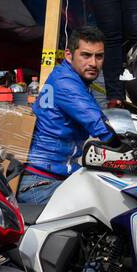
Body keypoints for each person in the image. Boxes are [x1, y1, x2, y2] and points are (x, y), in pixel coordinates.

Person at [20, 27, 117, 204]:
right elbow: (99, 125)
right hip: (41, 183)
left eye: (99, 56)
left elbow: (101, 117)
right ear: (68, 55)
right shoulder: (66, 83)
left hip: (55, 175)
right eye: (86, 55)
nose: (93, 63)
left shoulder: (72, 79)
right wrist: (126, 147)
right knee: (106, 205)